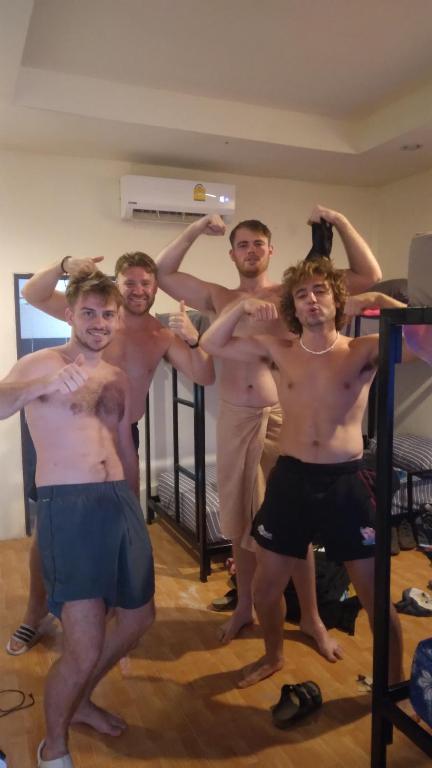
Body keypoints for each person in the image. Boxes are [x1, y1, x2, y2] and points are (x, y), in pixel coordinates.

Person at [155, 205, 382, 646]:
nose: (251, 250)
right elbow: (164, 272)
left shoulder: (293, 293)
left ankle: (312, 616)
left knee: (291, 526)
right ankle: (245, 607)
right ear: (232, 254)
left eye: (259, 243)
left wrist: (339, 221)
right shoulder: (220, 298)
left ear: (271, 251)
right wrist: (200, 225)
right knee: (241, 522)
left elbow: (368, 275)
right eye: (242, 244)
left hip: (281, 418)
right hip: (235, 418)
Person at [200, 258, 411, 688]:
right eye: (301, 294)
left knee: (376, 598)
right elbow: (212, 342)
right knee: (262, 590)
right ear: (292, 307)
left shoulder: (363, 350)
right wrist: (240, 309)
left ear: (337, 300)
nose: (311, 300)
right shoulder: (280, 350)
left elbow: (427, 340)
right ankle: (273, 656)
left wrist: (376, 300)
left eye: (320, 291)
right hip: (291, 480)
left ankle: (393, 685)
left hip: (345, 483)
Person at [7, 251, 215, 655]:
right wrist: (66, 264)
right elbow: (34, 293)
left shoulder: (161, 334)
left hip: (121, 437)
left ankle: (99, 622)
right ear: (117, 286)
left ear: (156, 288)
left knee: (116, 531)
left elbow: (204, 374)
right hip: (65, 429)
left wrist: (195, 338)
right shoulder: (96, 316)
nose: (138, 290)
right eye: (130, 282)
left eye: (146, 283)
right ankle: (35, 615)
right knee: (46, 537)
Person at [0, 271, 155, 767]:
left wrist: (136, 511)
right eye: (88, 312)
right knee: (83, 643)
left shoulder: (118, 377)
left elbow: (124, 447)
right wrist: (43, 384)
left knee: (138, 618)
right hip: (68, 504)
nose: (99, 322)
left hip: (119, 505)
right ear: (69, 315)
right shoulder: (41, 362)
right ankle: (55, 745)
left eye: (108, 314)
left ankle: (82, 698)